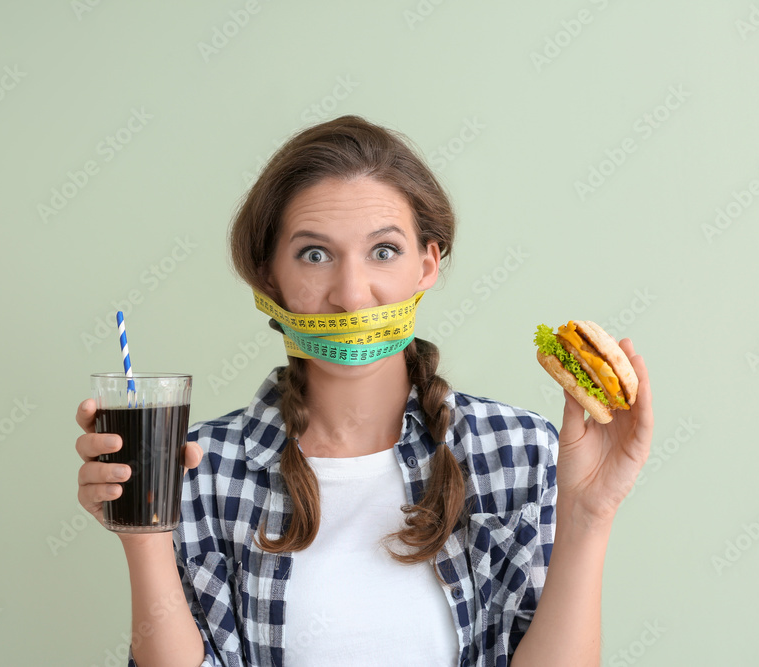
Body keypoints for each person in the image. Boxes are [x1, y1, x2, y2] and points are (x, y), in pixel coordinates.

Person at [75, 115, 654, 667]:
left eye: (384, 251)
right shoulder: (196, 466)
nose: (352, 295)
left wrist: (588, 515)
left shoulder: (520, 450)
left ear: (426, 265)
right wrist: (144, 532)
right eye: (315, 254)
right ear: (269, 277)